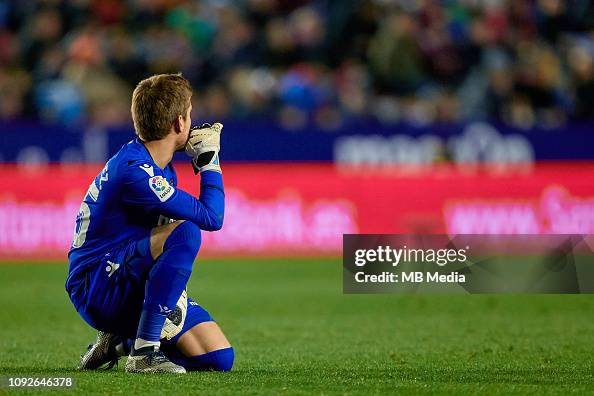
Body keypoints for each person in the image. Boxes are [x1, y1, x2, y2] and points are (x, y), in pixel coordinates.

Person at [65, 73, 233, 373]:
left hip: (126, 276)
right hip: (95, 286)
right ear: (180, 123)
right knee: (186, 233)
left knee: (218, 358)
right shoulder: (137, 172)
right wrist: (209, 161)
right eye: (190, 113)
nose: (193, 122)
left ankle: (117, 343)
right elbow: (212, 218)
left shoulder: (157, 166)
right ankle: (143, 353)